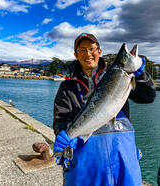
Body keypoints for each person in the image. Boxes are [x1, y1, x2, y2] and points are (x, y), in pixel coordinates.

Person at [53, 33, 156, 186]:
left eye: (92, 49)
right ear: (76, 55)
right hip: (86, 165)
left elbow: (148, 97)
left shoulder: (116, 75)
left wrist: (142, 76)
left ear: (99, 52)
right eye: (82, 50)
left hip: (123, 158)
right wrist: (63, 133)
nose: (88, 54)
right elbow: (61, 119)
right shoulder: (67, 87)